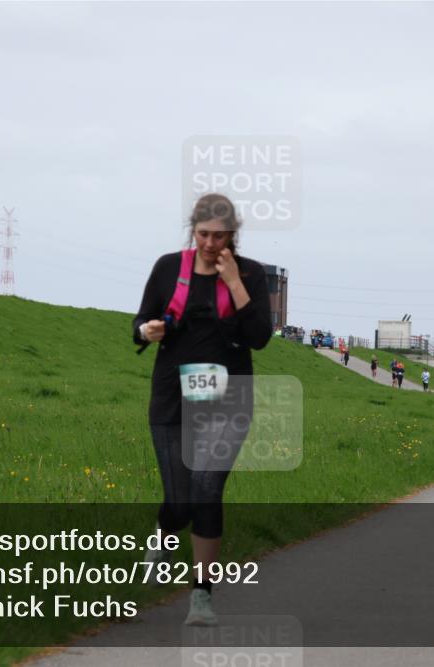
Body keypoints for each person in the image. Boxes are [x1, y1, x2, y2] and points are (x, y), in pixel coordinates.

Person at [133, 193, 272, 626]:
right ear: (193, 231)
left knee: (208, 490)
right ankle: (164, 532)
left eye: (220, 236)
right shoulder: (167, 267)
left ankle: (201, 597)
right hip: (173, 393)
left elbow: (260, 337)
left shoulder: (249, 274)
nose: (211, 243)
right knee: (180, 500)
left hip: (228, 395)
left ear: (234, 235)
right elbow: (138, 324)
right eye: (203, 234)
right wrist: (147, 330)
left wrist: (233, 282)